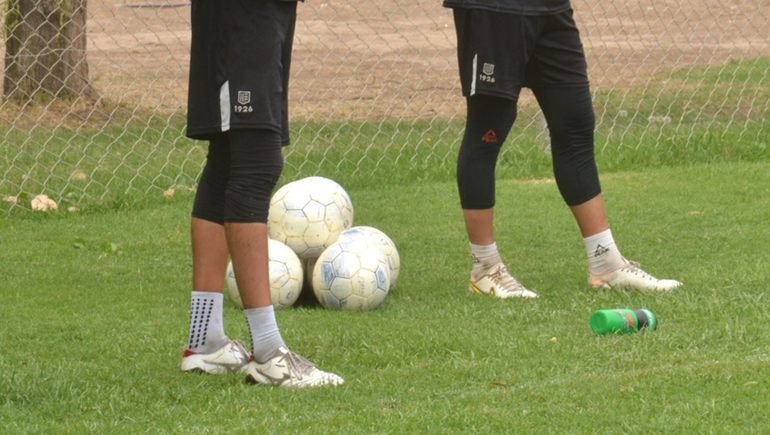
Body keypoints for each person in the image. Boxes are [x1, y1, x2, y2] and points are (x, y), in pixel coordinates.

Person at [442, 0, 682, 298]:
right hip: (495, 9)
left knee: (574, 122)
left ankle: (605, 262)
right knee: (488, 128)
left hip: (549, 8)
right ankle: (485, 269)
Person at [178, 0, 343, 387]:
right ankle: (269, 354)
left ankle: (205, 340)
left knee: (225, 160)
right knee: (255, 162)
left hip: (253, 13)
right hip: (244, 13)